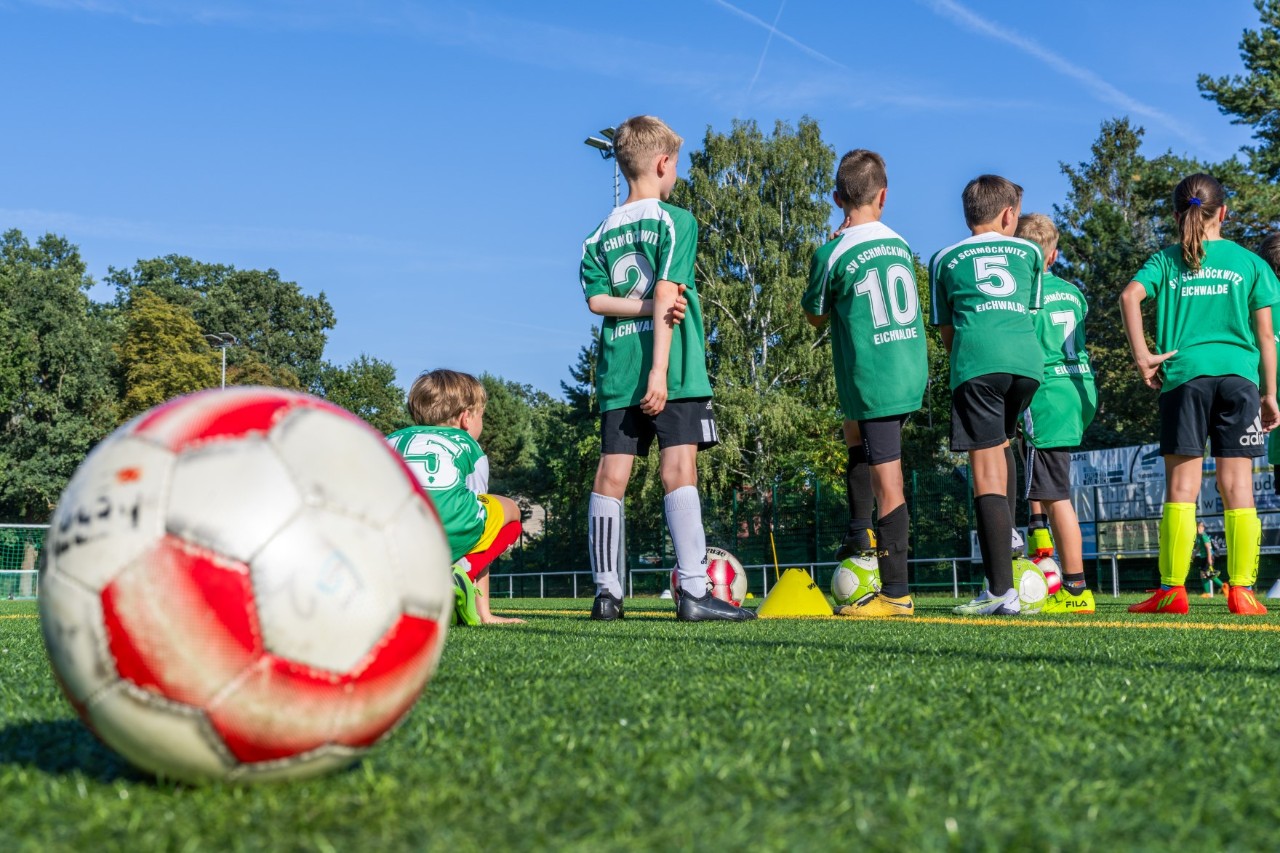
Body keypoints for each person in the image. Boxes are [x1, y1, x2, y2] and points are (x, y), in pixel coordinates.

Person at [578, 115, 753, 623]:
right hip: (670, 369)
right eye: (675, 164)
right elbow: (664, 292)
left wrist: (645, 311)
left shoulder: (596, 235)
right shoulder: (676, 222)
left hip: (616, 370)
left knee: (611, 476)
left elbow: (596, 302)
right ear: (662, 163)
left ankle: (607, 596)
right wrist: (659, 370)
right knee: (679, 471)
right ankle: (695, 592)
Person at [1120, 173, 1279, 615]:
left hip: (1185, 378)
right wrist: (1269, 393)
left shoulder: (1165, 261)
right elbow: (1266, 337)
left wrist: (1143, 357)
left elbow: (1129, 296)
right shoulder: (1250, 263)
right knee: (1237, 487)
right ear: (1223, 213)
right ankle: (1242, 591)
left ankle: (1171, 592)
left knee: (1182, 487)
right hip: (1239, 380)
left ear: (1177, 216)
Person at [802, 149, 927, 617]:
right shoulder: (898, 242)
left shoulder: (831, 251)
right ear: (883, 196)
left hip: (875, 376)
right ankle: (859, 533)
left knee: (888, 480)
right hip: (907, 367)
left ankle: (896, 594)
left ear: (838, 198)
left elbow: (815, 316)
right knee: (852, 432)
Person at [929, 175, 1043, 615]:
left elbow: (946, 330)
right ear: (1009, 213)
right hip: (1027, 367)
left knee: (985, 473)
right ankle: (1010, 540)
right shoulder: (1030, 252)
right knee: (1003, 445)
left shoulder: (944, 258)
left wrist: (969, 364)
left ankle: (999, 591)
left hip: (978, 362)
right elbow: (1026, 312)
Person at [386, 369, 526, 626]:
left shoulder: (391, 439)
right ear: (466, 418)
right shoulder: (467, 445)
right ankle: (460, 573)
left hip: (393, 536)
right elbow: (477, 513)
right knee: (511, 513)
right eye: (482, 416)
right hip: (449, 527)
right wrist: (486, 614)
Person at [1013, 214, 1098, 614]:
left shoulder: (1023, 294)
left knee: (1055, 495)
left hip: (1046, 394)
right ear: (1054, 254)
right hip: (1078, 390)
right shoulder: (1075, 293)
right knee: (1047, 483)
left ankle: (1076, 589)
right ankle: (1042, 546)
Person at [1192, 521, 1219, 597]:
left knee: (1205, 574)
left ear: (1203, 528)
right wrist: (1194, 554)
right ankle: (1222, 587)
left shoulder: (1204, 536)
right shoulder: (1199, 536)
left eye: (1201, 527)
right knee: (1207, 574)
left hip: (1208, 556)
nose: (1199, 528)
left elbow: (1208, 547)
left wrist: (1209, 558)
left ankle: (1209, 592)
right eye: (1198, 527)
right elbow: (1199, 546)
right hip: (1204, 557)